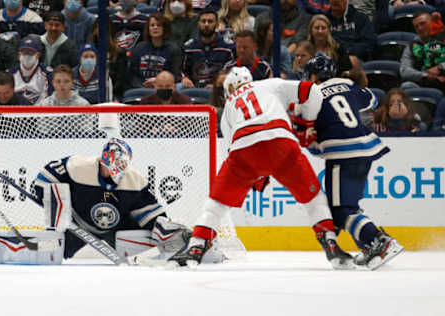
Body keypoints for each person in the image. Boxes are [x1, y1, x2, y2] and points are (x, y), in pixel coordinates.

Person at [169, 66, 355, 269]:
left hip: (244, 148)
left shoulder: (229, 106)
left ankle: (196, 245)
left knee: (217, 203)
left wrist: (256, 175)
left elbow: (232, 149)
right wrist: (308, 122)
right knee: (313, 199)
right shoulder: (270, 84)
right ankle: (330, 242)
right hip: (280, 141)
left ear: (228, 90)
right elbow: (312, 90)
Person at [0, 138, 195, 264]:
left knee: (149, 244)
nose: (115, 173)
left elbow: (150, 214)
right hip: (77, 225)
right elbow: (43, 180)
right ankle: (1, 244)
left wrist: (165, 230)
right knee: (54, 254)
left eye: (120, 168)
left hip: (118, 230)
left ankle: (186, 247)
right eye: (111, 167)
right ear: (103, 160)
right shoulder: (77, 166)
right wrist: (56, 205)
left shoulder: (134, 180)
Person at [301, 54, 404, 270]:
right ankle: (369, 246)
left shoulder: (314, 94)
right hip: (365, 149)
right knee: (348, 206)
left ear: (313, 76)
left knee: (341, 211)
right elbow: (372, 99)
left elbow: (308, 129)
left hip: (341, 154)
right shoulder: (347, 85)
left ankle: (380, 241)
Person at [181, 9, 235, 89]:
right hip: (194, 88)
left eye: (210, 21)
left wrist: (218, 84)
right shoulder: (188, 47)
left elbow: (232, 71)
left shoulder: (228, 47)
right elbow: (182, 69)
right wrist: (184, 78)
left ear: (216, 25)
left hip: (219, 88)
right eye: (203, 21)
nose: (206, 24)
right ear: (198, 24)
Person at [130, 13, 182, 89]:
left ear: (165, 28)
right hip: (141, 88)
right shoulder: (139, 47)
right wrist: (141, 86)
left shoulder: (173, 49)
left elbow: (176, 75)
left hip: (165, 88)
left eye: (158, 25)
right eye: (152, 25)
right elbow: (133, 75)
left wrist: (158, 82)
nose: (155, 27)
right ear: (148, 28)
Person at [400, 11, 445, 93]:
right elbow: (404, 70)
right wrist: (427, 75)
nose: (420, 28)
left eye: (423, 23)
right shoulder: (413, 45)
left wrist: (440, 67)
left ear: (432, 22)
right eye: (416, 27)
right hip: (425, 82)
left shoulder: (443, 37)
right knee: (407, 86)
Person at [9, 36, 53, 105]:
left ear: (38, 55)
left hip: (40, 112)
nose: (27, 55)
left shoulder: (47, 74)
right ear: (19, 55)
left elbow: (50, 99)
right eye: (24, 52)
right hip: (17, 113)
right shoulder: (11, 73)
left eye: (30, 52)